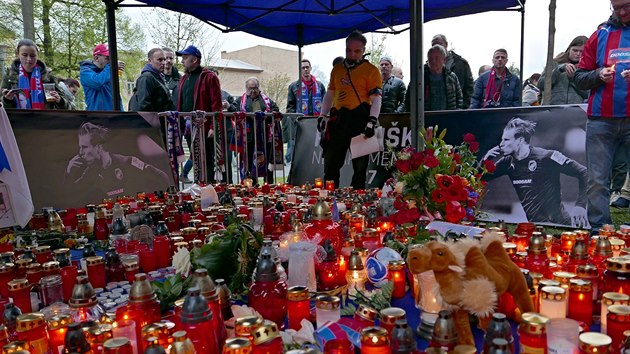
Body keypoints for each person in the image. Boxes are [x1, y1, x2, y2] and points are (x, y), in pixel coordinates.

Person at [573, 0, 630, 232]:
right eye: (617, 7)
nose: (622, 11)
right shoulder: (600, 35)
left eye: (627, 5)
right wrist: (598, 74)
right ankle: (600, 231)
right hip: (600, 119)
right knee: (597, 180)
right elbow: (579, 77)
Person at [482, 118, 588, 227]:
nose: (501, 144)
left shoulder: (547, 156)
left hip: (559, 225)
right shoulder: (507, 162)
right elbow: (480, 177)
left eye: (506, 140)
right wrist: (485, 160)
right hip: (535, 227)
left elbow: (584, 173)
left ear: (520, 140)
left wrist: (580, 205)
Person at [318, 30, 382, 190]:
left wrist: (372, 120)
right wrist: (322, 115)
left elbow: (376, 98)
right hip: (338, 120)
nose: (352, 54)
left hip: (360, 119)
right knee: (331, 166)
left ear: (363, 50)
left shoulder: (371, 71)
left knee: (360, 170)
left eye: (357, 51)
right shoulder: (337, 69)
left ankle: (357, 207)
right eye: (348, 50)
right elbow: (330, 93)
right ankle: (329, 201)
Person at [65, 122, 170, 198]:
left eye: (84, 147)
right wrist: (69, 172)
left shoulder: (127, 163)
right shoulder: (91, 172)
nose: (80, 152)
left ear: (99, 147)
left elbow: (162, 176)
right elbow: (72, 195)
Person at [175, 45, 223, 183]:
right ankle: (199, 185)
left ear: (194, 59)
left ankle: (207, 187)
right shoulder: (184, 78)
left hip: (204, 125)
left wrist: (213, 126)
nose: (182, 61)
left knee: (206, 158)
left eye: (185, 57)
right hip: (189, 126)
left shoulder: (209, 77)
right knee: (195, 158)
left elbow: (216, 104)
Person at [1, 39, 70, 110]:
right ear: (18, 54)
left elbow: (68, 107)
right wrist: (7, 100)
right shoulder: (9, 76)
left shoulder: (48, 76)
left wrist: (59, 100)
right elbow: (2, 108)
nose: (29, 59)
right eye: (24, 55)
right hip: (18, 119)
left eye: (33, 56)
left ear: (37, 55)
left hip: (44, 119)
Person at [237, 77, 280, 184]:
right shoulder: (241, 100)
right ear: (246, 88)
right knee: (250, 163)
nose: (253, 91)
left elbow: (275, 109)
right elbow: (234, 109)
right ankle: (252, 185)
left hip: (264, 136)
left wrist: (267, 115)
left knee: (266, 162)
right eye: (251, 88)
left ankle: (268, 185)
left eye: (255, 88)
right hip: (249, 137)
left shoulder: (266, 99)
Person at [285, 59, 326, 163]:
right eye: (303, 68)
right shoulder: (294, 86)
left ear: (311, 68)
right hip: (302, 125)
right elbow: (290, 107)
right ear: (300, 70)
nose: (305, 69)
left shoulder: (320, 85)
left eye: (307, 67)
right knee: (302, 154)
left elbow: (326, 104)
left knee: (316, 152)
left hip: (317, 124)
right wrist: (296, 121)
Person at [404, 44, 462, 112]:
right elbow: (408, 99)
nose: (433, 61)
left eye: (436, 58)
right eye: (430, 58)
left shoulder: (452, 77)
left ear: (444, 59)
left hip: (448, 117)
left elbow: (459, 99)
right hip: (425, 118)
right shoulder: (419, 78)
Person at [537, 36, 589, 105]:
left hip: (575, 110)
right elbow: (541, 84)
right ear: (569, 49)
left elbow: (587, 94)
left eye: (581, 51)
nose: (578, 54)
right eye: (575, 50)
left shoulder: (587, 68)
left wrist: (573, 79)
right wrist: (559, 69)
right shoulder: (554, 63)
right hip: (552, 109)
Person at [431, 34, 474, 107]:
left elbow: (469, 87)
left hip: (456, 109)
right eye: (434, 45)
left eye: (439, 44)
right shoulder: (428, 66)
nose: (437, 47)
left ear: (446, 44)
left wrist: (464, 107)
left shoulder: (461, 63)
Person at [79, 43, 124, 111]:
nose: (111, 61)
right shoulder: (85, 72)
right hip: (98, 117)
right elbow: (97, 82)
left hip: (114, 116)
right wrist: (112, 67)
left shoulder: (107, 72)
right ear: (96, 58)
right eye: (108, 58)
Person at [129, 48, 175, 112]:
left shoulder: (158, 76)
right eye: (160, 60)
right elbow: (144, 104)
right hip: (149, 120)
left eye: (164, 59)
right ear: (150, 61)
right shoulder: (146, 77)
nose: (164, 62)